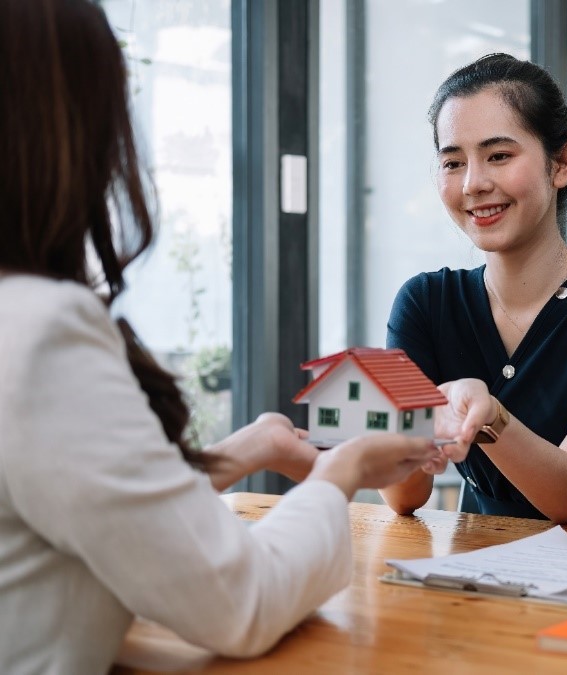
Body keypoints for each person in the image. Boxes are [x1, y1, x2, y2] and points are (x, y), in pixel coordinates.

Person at [0, 2, 440, 672]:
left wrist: (240, 451)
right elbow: (237, 600)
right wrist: (339, 470)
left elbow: (75, 494)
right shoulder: (40, 332)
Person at [381, 54, 567, 522]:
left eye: (498, 156)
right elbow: (404, 497)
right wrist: (394, 428)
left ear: (561, 163)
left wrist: (491, 418)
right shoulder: (424, 303)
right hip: (471, 573)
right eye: (453, 162)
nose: (473, 184)